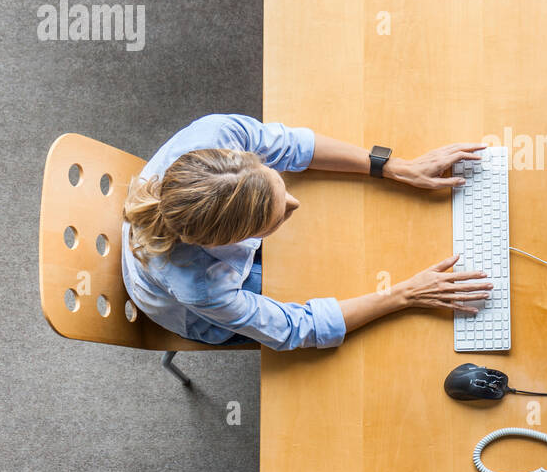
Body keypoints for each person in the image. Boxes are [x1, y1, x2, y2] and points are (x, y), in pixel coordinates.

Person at [121, 114, 491, 351]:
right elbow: (298, 329)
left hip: (194, 240)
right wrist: (406, 294)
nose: (294, 204)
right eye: (276, 219)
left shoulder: (218, 134)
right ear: (230, 243)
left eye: (279, 186)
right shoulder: (202, 286)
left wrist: (394, 167)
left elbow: (292, 146)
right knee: (316, 278)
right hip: (186, 309)